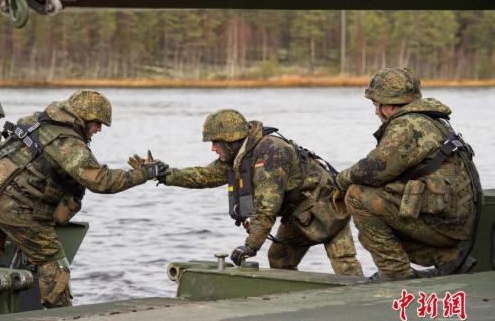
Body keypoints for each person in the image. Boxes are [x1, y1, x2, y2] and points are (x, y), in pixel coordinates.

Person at [0, 89, 168, 308]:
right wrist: (145, 173)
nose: (99, 129)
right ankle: (60, 320)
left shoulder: (36, 120)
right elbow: (102, 181)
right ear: (83, 118)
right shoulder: (67, 142)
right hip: (12, 206)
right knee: (54, 263)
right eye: (97, 123)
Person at [140, 109, 363, 275]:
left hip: (327, 207)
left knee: (346, 266)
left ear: (231, 141)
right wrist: (164, 174)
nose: (212, 148)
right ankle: (294, 307)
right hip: (298, 214)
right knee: (279, 259)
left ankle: (363, 309)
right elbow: (205, 175)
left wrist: (250, 245)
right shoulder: (239, 155)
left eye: (215, 143)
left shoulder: (271, 153)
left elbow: (266, 206)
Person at [336, 67, 481, 282]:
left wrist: (340, 180)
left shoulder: (409, 125)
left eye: (376, 105)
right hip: (456, 220)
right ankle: (448, 259)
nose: (376, 111)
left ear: (388, 106)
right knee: (380, 218)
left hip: (446, 223)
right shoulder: (431, 120)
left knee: (357, 195)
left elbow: (372, 170)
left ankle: (396, 274)